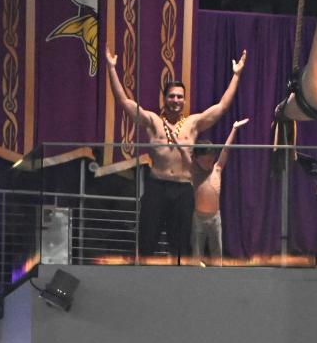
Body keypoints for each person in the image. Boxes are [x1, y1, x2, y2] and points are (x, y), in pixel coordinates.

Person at [104, 46, 247, 261]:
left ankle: (178, 287)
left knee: (180, 246)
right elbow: (124, 102)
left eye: (180, 97)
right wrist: (111, 68)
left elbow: (223, 106)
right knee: (146, 241)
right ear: (165, 98)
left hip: (183, 189)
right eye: (172, 96)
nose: (176, 100)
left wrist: (236, 75)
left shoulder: (193, 123)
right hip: (157, 187)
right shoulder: (153, 121)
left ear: (185, 100)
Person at [188, 118, 249, 266]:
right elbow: (184, 153)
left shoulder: (217, 169)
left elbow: (226, 149)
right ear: (196, 159)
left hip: (215, 217)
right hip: (198, 218)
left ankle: (217, 274)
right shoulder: (194, 171)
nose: (210, 163)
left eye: (211, 159)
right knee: (196, 253)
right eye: (206, 160)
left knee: (217, 253)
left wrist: (234, 129)